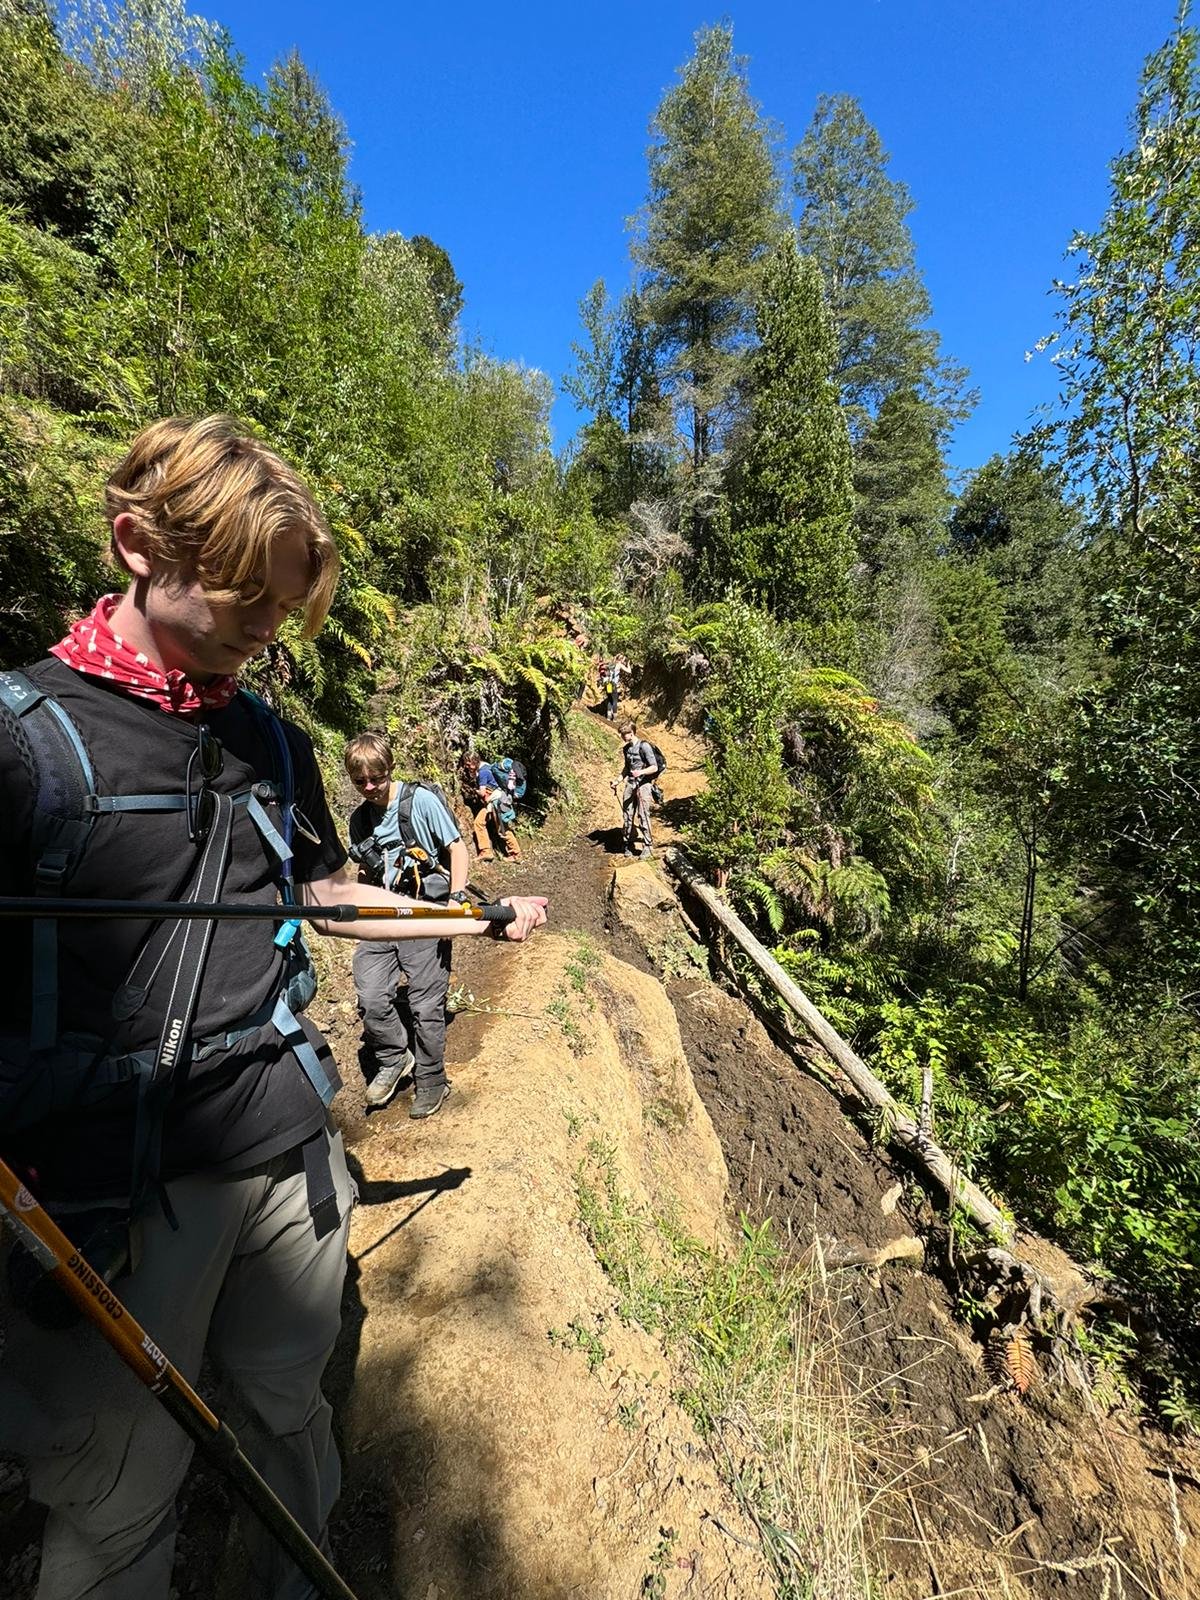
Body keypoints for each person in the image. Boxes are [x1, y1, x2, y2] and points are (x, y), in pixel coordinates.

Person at [0, 414, 547, 1600]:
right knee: (112, 1508)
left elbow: (319, 894)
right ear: (139, 542)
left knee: (290, 1420)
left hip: (284, 1154)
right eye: (248, 597)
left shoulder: (271, 742)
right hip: (102, 1199)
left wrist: (471, 918)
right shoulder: (24, 741)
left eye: (284, 610)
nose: (265, 634)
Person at [345, 732, 469, 1117]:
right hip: (383, 914)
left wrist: (455, 900)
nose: (369, 787)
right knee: (369, 995)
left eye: (376, 779)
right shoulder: (359, 819)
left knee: (425, 1002)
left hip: (425, 909)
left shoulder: (421, 801)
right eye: (360, 781)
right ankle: (394, 1056)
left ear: (389, 769)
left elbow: (457, 848)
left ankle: (433, 1079)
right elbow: (366, 872)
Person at [610, 719, 659, 859]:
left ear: (631, 733)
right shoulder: (626, 749)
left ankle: (648, 847)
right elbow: (627, 768)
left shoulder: (645, 747)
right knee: (627, 814)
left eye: (623, 734)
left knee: (643, 815)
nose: (622, 737)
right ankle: (627, 844)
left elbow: (654, 767)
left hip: (643, 785)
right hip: (630, 784)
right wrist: (617, 781)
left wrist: (641, 773)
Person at [463, 752, 522, 863]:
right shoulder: (487, 766)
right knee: (479, 823)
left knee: (503, 830)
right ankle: (486, 852)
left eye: (469, 764)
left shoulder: (483, 772)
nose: (467, 767)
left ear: (475, 762)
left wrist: (473, 790)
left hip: (497, 803)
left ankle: (516, 854)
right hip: (493, 802)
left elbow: (482, 792)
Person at [600, 654, 628, 721]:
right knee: (615, 700)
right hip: (613, 684)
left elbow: (606, 672)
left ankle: (608, 716)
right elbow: (629, 671)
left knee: (610, 699)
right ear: (620, 660)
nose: (624, 661)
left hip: (608, 684)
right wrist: (628, 664)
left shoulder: (611, 663)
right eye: (623, 660)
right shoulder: (619, 665)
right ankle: (614, 718)